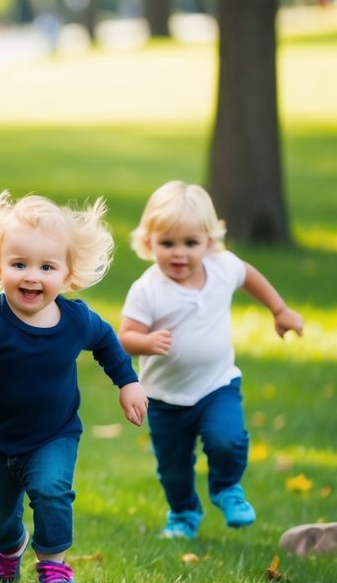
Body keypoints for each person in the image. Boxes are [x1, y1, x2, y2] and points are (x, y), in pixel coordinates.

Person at [0, 192, 147, 583]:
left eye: (46, 267)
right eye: (19, 265)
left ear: (68, 274)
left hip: (54, 434)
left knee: (53, 491)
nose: (31, 276)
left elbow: (107, 342)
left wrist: (128, 382)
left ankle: (54, 563)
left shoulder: (76, 320)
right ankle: (10, 545)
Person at [119, 181, 304, 540]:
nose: (179, 253)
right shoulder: (148, 289)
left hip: (216, 384)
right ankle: (183, 514)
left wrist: (279, 310)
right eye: (167, 243)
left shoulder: (222, 268)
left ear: (209, 240)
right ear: (149, 242)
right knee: (173, 468)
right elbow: (124, 337)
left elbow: (249, 276)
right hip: (163, 398)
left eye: (191, 243)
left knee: (227, 439)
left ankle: (226, 488)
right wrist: (146, 341)